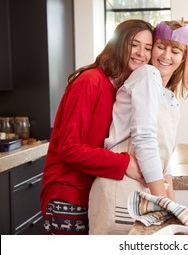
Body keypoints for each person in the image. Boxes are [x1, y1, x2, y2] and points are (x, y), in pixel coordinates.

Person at [40, 19, 153, 235]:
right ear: (118, 43)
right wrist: (125, 163)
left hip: (94, 194)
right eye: (134, 44)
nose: (141, 53)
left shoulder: (121, 90)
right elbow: (69, 148)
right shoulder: (89, 82)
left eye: (147, 48)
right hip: (69, 196)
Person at [88, 20, 188, 234]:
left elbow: (164, 165)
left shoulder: (169, 97)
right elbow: (144, 139)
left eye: (175, 50)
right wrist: (164, 203)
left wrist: (174, 212)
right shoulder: (147, 75)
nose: (166, 56)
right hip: (122, 189)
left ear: (183, 57)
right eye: (160, 46)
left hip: (143, 190)